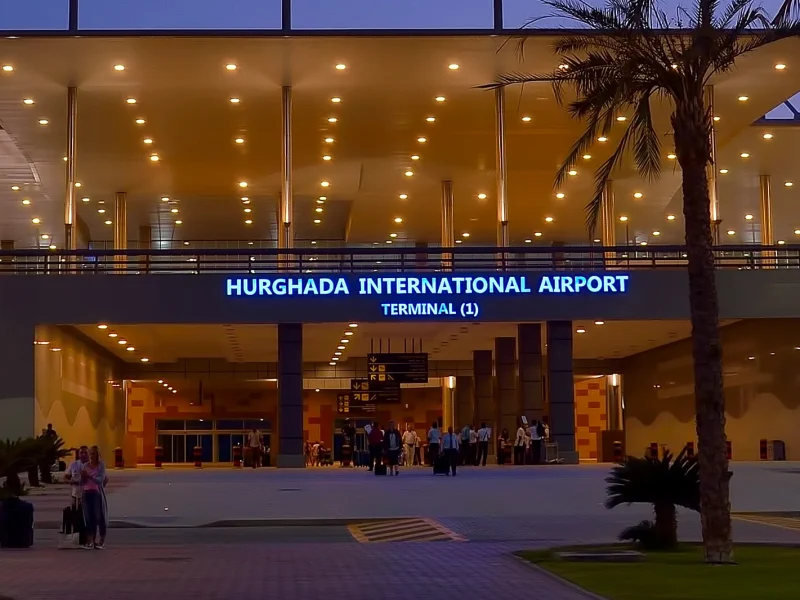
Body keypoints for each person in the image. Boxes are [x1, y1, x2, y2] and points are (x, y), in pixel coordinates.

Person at [81, 446, 108, 549]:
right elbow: (82, 482)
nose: (91, 456)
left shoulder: (101, 465)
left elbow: (100, 479)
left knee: (99, 516)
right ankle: (90, 541)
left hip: (96, 492)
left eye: (93, 454)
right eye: (90, 453)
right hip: (86, 492)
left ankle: (101, 540)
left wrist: (90, 476)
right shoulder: (85, 465)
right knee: (88, 517)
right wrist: (83, 477)